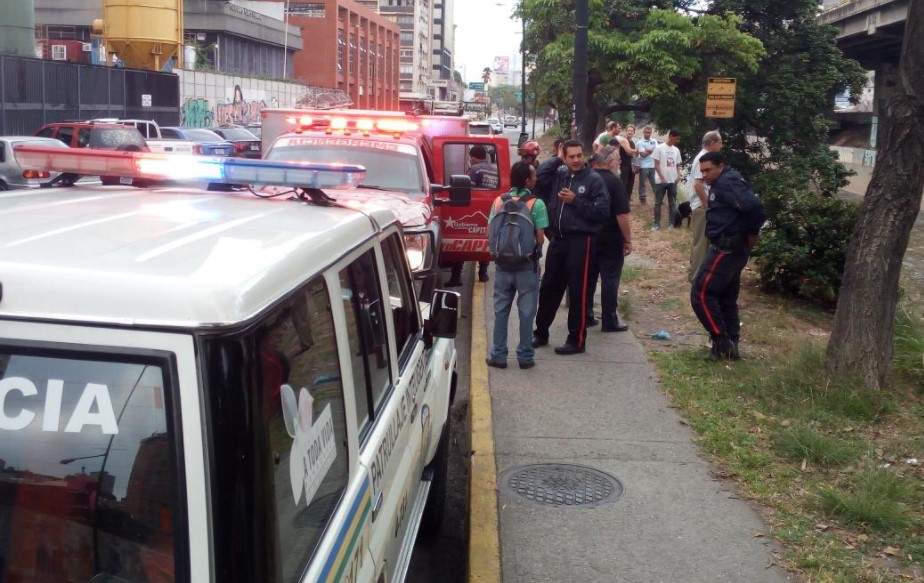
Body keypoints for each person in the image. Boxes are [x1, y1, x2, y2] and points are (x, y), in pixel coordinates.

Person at [533, 139, 610, 355]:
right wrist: (557, 158)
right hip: (558, 241)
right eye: (571, 156)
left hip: (581, 242)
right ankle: (541, 332)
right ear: (564, 157)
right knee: (549, 288)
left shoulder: (594, 180)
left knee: (578, 291)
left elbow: (602, 212)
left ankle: (576, 340)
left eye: (579, 155)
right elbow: (540, 177)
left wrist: (576, 201)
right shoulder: (561, 175)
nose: (576, 160)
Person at [690, 151, 766, 361]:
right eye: (702, 171)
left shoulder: (728, 183)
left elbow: (756, 208)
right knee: (725, 298)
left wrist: (751, 235)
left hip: (728, 249)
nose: (704, 174)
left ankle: (722, 341)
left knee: (701, 293)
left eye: (708, 170)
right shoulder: (725, 180)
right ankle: (729, 345)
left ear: (720, 166)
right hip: (730, 248)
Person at [486, 161, 549, 369]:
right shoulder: (536, 204)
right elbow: (540, 239)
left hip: (503, 266)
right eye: (533, 175)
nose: (536, 178)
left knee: (501, 310)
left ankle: (498, 355)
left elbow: (490, 233)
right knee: (526, 312)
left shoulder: (498, 202)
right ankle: (525, 357)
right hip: (526, 267)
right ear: (526, 180)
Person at [586, 146, 632, 332]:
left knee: (588, 279)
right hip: (611, 237)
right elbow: (622, 215)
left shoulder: (586, 178)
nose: (620, 163)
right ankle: (609, 319)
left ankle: (586, 314)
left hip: (588, 235)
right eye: (619, 160)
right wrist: (628, 240)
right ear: (611, 162)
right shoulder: (615, 182)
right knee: (610, 279)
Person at [445, 145, 497, 285]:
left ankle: (456, 277)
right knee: (485, 240)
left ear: (473, 157)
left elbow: (467, 189)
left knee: (461, 243)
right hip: (489, 209)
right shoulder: (494, 169)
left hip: (471, 208)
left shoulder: (474, 169)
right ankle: (483, 274)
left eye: (470, 157)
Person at [687, 130, 724, 282]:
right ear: (712, 143)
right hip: (701, 207)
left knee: (701, 242)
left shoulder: (705, 157)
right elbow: (698, 185)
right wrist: (708, 205)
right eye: (720, 142)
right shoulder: (703, 159)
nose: (722, 146)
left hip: (702, 206)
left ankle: (695, 272)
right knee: (701, 243)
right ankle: (696, 277)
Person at [651, 129, 682, 230]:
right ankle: (656, 223)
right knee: (658, 203)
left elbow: (678, 165)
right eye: (676, 138)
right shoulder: (659, 148)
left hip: (673, 181)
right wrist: (662, 177)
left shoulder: (676, 150)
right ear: (671, 136)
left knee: (672, 203)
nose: (677, 140)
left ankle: (671, 224)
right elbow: (656, 164)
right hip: (661, 181)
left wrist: (679, 175)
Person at [534, 138, 566, 206]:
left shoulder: (549, 164)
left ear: (554, 149)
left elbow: (540, 174)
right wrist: (558, 159)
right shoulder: (552, 163)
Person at [635, 125, 658, 205]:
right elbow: (642, 155)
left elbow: (657, 151)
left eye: (649, 132)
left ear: (651, 133)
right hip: (643, 165)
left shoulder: (654, 141)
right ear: (643, 132)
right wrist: (651, 151)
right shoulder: (640, 142)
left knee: (654, 183)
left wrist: (647, 150)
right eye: (646, 132)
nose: (647, 134)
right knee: (642, 183)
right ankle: (642, 198)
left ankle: (658, 199)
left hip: (652, 165)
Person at [615, 124, 638, 202]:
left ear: (634, 132)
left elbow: (634, 154)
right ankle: (621, 199)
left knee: (631, 182)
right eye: (628, 130)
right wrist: (635, 151)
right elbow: (629, 152)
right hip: (623, 165)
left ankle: (628, 198)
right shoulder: (623, 140)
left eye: (631, 131)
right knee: (623, 182)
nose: (630, 132)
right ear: (626, 131)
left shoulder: (633, 142)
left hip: (631, 165)